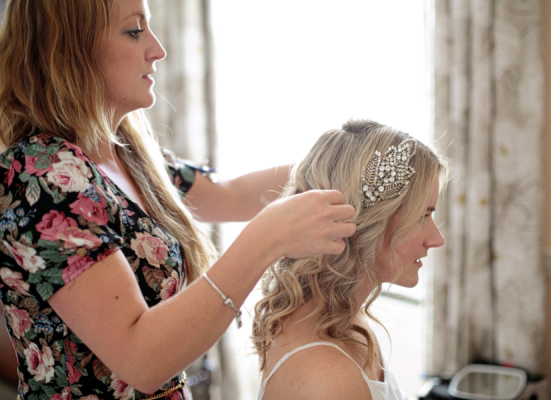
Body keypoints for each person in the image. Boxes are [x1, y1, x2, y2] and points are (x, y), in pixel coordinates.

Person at [0, 1, 357, 399]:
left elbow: (230, 193)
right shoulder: (43, 177)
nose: (158, 49)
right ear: (70, 49)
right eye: (134, 31)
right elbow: (141, 361)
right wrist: (267, 239)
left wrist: (347, 165)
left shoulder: (130, 155)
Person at [252, 119, 449, 400]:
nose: (437, 238)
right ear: (370, 222)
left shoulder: (347, 319)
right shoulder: (327, 378)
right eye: (422, 216)